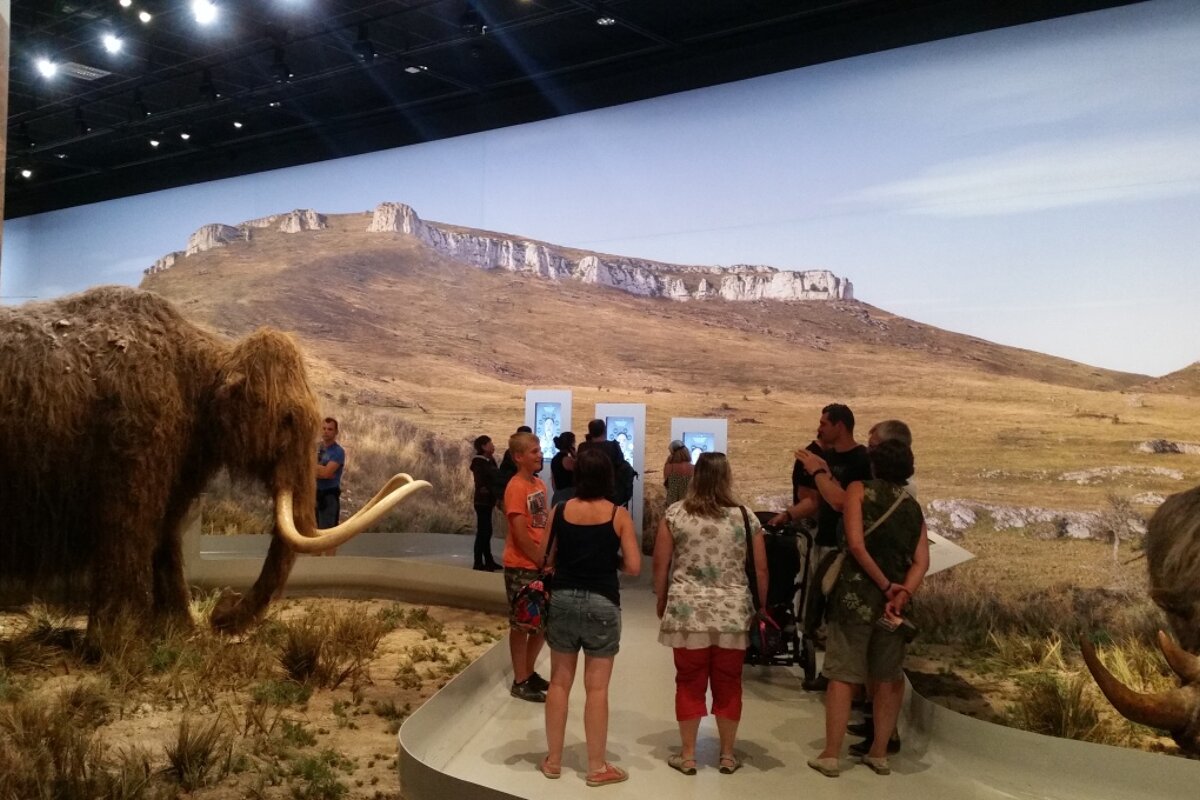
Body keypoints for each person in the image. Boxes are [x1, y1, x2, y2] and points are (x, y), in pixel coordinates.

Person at [807, 440, 930, 778]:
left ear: (875, 464)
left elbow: (857, 545)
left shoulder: (859, 490)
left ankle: (831, 754)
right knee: (888, 676)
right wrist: (901, 592)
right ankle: (878, 753)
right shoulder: (911, 506)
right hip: (895, 607)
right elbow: (922, 560)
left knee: (843, 674)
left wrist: (883, 584)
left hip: (855, 598)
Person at [654, 453, 769, 776]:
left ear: (696, 476)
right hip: (732, 613)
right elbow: (760, 568)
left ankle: (688, 755)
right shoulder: (746, 518)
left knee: (688, 682)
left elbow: (661, 564)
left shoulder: (676, 514)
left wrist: (662, 598)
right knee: (729, 683)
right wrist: (761, 606)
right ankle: (728, 754)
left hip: (688, 612)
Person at [540, 448, 641, 786]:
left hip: (564, 599)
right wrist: (606, 560)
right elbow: (633, 566)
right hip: (602, 603)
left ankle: (553, 760)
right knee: (596, 689)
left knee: (558, 682)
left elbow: (545, 556)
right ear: (608, 476)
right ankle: (596, 767)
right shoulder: (618, 515)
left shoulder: (561, 509)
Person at [769, 403, 871, 688]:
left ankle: (842, 678)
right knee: (819, 606)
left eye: (824, 423)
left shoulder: (861, 461)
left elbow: (840, 501)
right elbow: (814, 500)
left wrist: (819, 474)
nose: (819, 428)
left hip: (845, 544)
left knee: (837, 610)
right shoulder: (820, 457)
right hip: (822, 537)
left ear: (840, 425)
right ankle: (832, 673)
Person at [502, 431, 552, 702]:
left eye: (539, 450)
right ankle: (520, 679)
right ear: (518, 457)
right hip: (521, 565)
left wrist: (547, 559)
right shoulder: (516, 487)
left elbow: (541, 526)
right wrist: (538, 559)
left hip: (539, 563)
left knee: (541, 623)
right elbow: (520, 533)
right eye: (534, 451)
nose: (539, 455)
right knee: (522, 625)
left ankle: (528, 672)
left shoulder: (539, 486)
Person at [469, 435, 502, 572]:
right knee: (484, 531)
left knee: (486, 531)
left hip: (488, 501)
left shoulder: (489, 461)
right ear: (483, 446)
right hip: (482, 501)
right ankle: (478, 561)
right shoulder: (480, 463)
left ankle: (488, 560)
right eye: (490, 443)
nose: (493, 446)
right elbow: (490, 479)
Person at [316, 416, 345, 529]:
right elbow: (302, 468)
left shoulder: (338, 452)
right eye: (324, 428)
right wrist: (321, 470)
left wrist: (310, 468)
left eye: (330, 429)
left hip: (328, 498)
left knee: (326, 532)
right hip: (312, 495)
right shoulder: (315, 447)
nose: (326, 431)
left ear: (336, 432)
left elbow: (326, 474)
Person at [550, 431, 577, 507]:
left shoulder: (554, 459)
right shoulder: (569, 460)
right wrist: (575, 455)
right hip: (569, 496)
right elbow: (581, 474)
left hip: (557, 495)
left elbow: (553, 482)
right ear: (571, 444)